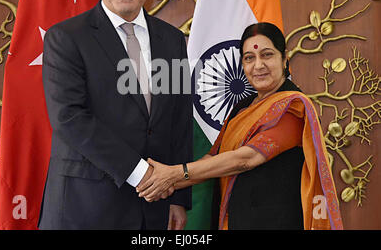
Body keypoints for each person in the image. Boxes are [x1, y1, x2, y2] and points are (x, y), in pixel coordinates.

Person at [38, 0, 192, 230]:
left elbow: (179, 120)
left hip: (155, 207)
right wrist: (143, 174)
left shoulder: (171, 40)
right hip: (84, 208)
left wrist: (178, 195)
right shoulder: (66, 38)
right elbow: (69, 118)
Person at [137, 22, 343, 230]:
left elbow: (245, 158)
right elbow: (214, 157)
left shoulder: (292, 107)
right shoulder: (242, 107)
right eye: (249, 58)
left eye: (267, 55)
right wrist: (161, 182)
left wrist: (173, 175)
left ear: (284, 60)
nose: (258, 65)